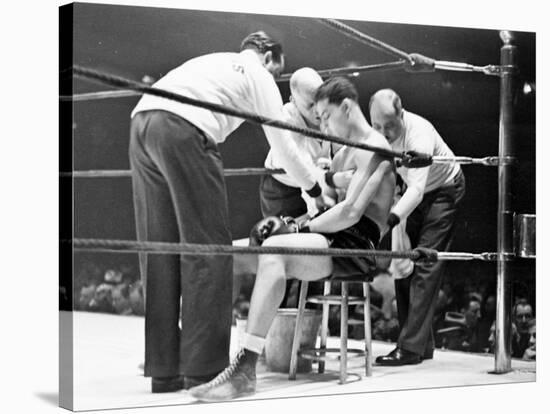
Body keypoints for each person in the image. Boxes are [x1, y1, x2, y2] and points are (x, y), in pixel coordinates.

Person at [129, 31, 330, 393]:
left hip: (141, 124)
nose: (278, 79)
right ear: (269, 56)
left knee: (159, 248)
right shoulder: (259, 74)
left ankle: (164, 369)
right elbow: (282, 144)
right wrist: (314, 189)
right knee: (210, 249)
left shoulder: (212, 61)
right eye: (279, 69)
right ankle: (203, 370)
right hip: (184, 129)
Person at [188, 76, 396, 402]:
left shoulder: (376, 147)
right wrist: (300, 215)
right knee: (232, 253)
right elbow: (326, 192)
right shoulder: (343, 155)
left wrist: (299, 230)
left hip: (354, 245)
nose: (322, 124)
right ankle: (204, 357)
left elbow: (351, 212)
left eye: (326, 116)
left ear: (345, 107)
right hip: (328, 237)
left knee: (276, 250)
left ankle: (245, 368)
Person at [370, 89, 466, 366]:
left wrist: (389, 220)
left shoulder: (419, 133)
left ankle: (409, 348)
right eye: (377, 125)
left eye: (389, 125)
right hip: (412, 195)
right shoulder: (377, 133)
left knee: (425, 261)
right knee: (403, 261)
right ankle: (421, 344)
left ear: (401, 113)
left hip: (443, 189)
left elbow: (417, 190)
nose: (384, 132)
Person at [260, 67, 352, 218]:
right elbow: (302, 166)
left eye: (320, 100)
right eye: (310, 105)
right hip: (283, 189)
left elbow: (343, 146)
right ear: (293, 102)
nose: (318, 110)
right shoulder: (286, 121)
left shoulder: (330, 106)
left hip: (320, 180)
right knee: (286, 238)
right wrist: (333, 178)